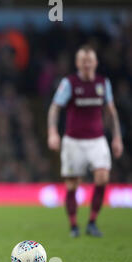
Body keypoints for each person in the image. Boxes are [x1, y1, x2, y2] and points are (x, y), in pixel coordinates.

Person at [47, 45, 123, 238]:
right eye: (83, 61)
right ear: (78, 63)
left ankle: (92, 222)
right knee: (72, 184)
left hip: (97, 140)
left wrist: (117, 138)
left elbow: (111, 111)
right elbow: (55, 108)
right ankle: (74, 225)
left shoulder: (103, 83)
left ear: (95, 63)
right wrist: (53, 132)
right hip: (73, 141)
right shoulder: (70, 83)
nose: (87, 64)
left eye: (90, 61)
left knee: (102, 178)